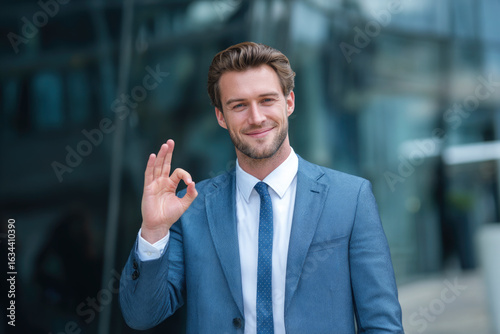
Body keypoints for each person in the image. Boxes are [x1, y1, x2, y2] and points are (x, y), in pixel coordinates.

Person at [120, 42, 404, 334]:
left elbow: (382, 324)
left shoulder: (350, 199)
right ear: (220, 116)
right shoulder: (191, 208)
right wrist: (153, 231)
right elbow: (142, 315)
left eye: (267, 100)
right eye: (239, 105)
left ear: (289, 102)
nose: (255, 118)